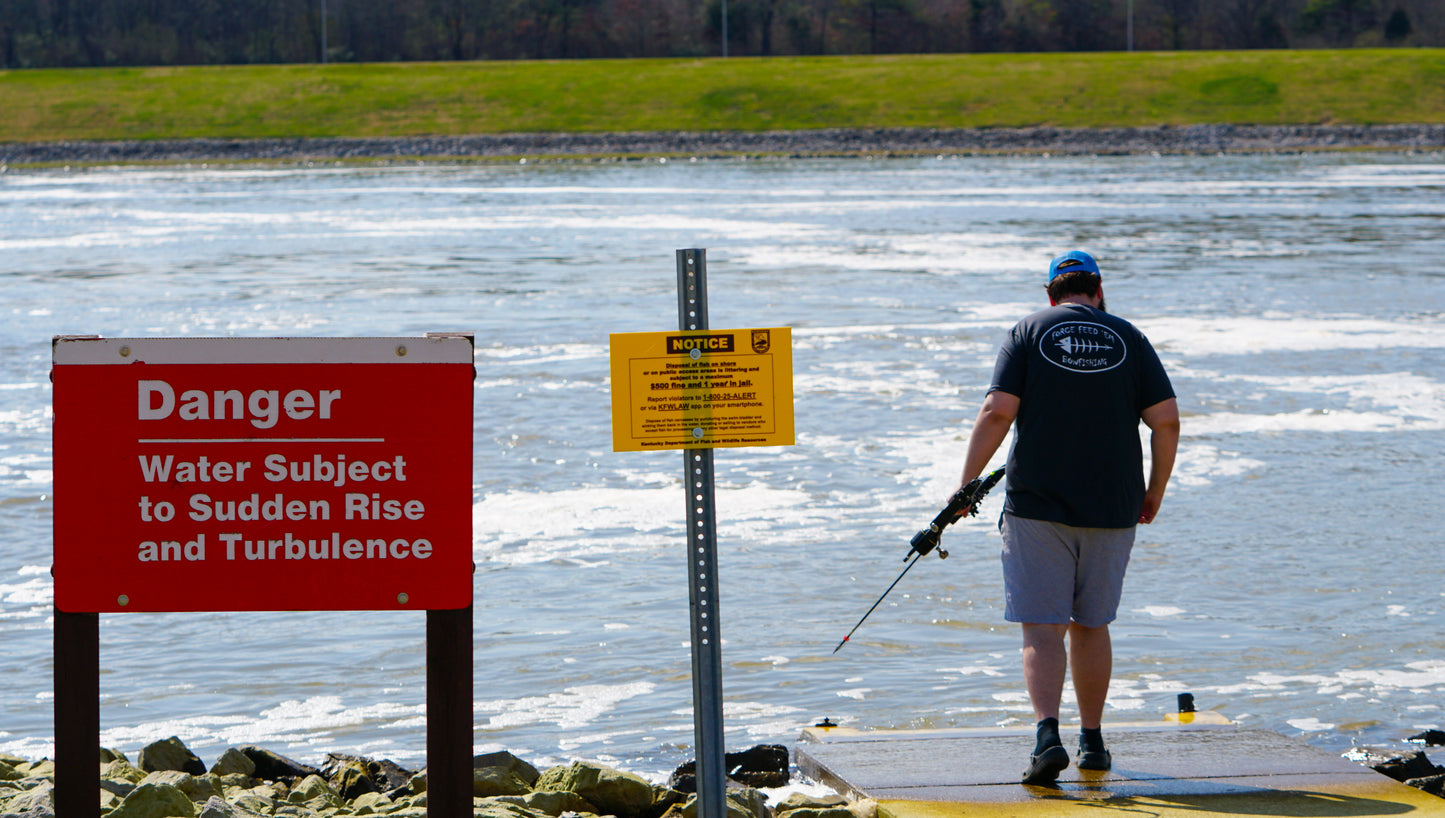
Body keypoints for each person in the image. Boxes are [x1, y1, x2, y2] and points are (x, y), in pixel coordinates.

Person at [956, 250, 1179, 785]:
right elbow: (1166, 421)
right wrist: (1154, 492)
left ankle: (1047, 737)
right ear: (1098, 291)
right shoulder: (1128, 335)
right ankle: (1095, 743)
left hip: (1037, 503)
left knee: (1043, 625)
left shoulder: (1028, 331)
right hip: (1114, 503)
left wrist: (966, 487)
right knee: (1092, 623)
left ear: (1050, 293)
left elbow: (997, 411)